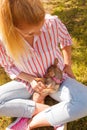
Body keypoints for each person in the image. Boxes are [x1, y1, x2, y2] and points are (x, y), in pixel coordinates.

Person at [0, 0, 87, 130]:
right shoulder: (4, 40)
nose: (39, 34)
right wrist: (31, 80)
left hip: (58, 80)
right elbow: (9, 66)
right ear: (13, 28)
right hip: (27, 83)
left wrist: (67, 65)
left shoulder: (52, 22)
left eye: (40, 27)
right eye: (30, 33)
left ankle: (32, 122)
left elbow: (66, 41)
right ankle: (41, 109)